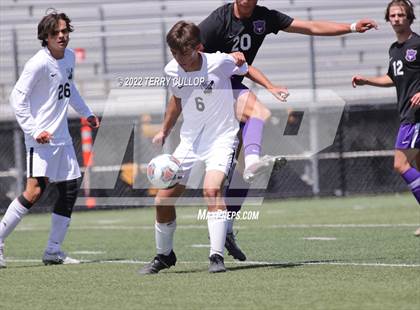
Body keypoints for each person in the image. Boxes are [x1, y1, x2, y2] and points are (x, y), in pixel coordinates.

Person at [186, 0, 379, 260]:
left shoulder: (265, 18)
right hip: (209, 91)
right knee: (257, 115)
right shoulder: (216, 22)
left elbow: (309, 26)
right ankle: (171, 246)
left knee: (242, 170)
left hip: (233, 87)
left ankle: (227, 227)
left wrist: (352, 27)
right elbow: (187, 52)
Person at [139, 21, 248, 274]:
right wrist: (165, 130)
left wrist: (242, 61)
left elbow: (246, 69)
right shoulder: (172, 70)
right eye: (175, 53)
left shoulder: (219, 62)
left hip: (221, 138)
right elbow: (176, 100)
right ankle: (164, 256)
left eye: (184, 53)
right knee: (162, 200)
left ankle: (216, 257)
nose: (180, 59)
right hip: (190, 141)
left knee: (211, 190)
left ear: (198, 48)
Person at [0, 11, 100, 268]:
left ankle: (53, 251)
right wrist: (34, 130)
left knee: (69, 188)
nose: (62, 36)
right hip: (41, 140)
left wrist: (86, 113)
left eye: (65, 31)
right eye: (56, 32)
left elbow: (70, 88)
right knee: (34, 191)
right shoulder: (37, 63)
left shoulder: (68, 57)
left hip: (62, 138)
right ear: (45, 36)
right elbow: (17, 99)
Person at [352, 0, 420, 236]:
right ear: (388, 19)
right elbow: (393, 78)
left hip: (416, 116)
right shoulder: (394, 49)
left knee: (400, 164)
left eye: (401, 14)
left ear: (409, 17)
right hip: (406, 114)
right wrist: (367, 80)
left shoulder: (418, 44)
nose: (397, 18)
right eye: (393, 15)